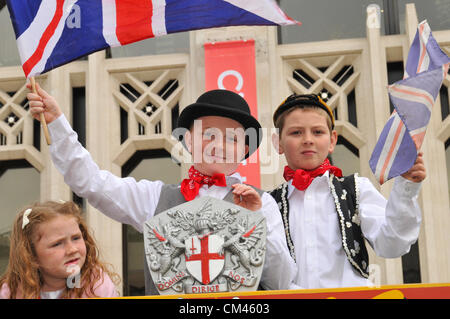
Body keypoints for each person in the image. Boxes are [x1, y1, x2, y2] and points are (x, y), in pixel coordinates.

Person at [27, 84, 298, 294]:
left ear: (245, 148)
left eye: (231, 138)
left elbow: (282, 282)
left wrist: (254, 223)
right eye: (208, 134)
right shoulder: (154, 198)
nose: (219, 145)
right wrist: (57, 123)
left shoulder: (264, 204)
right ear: (189, 140)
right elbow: (90, 182)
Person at [269, 93, 426, 289]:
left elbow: (392, 244)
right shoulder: (268, 204)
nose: (308, 140)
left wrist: (406, 188)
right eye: (296, 133)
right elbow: (267, 271)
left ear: (333, 140)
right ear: (278, 143)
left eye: (318, 132)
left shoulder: (357, 189)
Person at [0, 201, 120, 299]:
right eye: (57, 244)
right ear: (30, 255)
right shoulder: (13, 291)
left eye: (76, 238)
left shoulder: (96, 285)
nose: (72, 249)